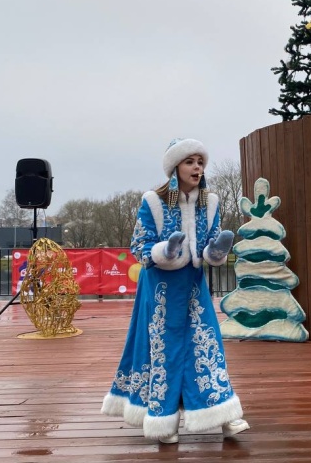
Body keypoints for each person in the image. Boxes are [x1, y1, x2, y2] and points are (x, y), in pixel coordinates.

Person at [101, 138, 249, 443]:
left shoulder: (211, 202)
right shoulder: (151, 202)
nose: (197, 168)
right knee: (163, 351)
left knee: (207, 346)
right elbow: (139, 247)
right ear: (175, 168)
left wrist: (217, 250)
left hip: (194, 286)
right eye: (190, 162)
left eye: (200, 162)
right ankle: (162, 419)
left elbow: (208, 247)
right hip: (160, 290)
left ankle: (226, 416)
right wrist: (164, 251)